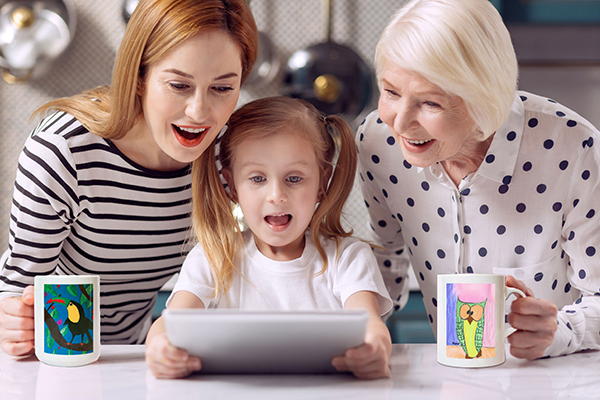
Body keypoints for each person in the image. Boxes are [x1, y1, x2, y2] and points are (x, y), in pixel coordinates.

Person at [0, 0, 258, 356]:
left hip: (138, 352)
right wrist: (11, 319)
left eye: (222, 88)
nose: (199, 112)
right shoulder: (65, 151)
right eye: (179, 86)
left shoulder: (223, 155)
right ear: (139, 77)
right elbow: (17, 288)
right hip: (56, 351)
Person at [358, 0, 600, 360]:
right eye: (391, 92)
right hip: (453, 380)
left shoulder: (573, 148)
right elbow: (385, 257)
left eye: (430, 103)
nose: (400, 122)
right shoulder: (378, 142)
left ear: (483, 99)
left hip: (556, 379)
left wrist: (561, 332)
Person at [145, 96, 393, 379]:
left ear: (322, 184)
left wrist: (375, 350)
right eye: (257, 178)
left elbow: (371, 327)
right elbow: (169, 324)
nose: (277, 195)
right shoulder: (212, 258)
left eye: (294, 178)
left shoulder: (348, 258)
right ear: (232, 186)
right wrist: (160, 348)